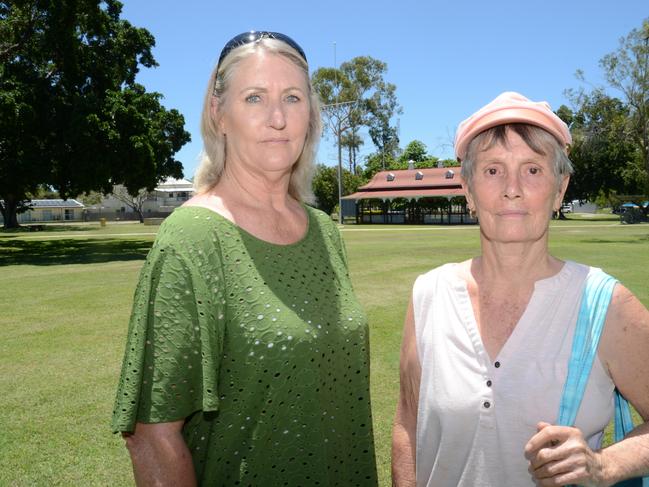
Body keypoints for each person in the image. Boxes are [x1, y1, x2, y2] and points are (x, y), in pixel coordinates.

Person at [112, 31, 377, 486]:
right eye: (254, 98)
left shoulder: (324, 233)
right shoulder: (190, 240)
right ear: (219, 114)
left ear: (310, 115)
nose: (278, 118)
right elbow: (152, 435)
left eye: (292, 98)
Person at [392, 91, 649, 486]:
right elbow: (408, 424)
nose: (512, 188)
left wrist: (606, 465)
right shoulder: (429, 295)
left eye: (532, 170)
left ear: (560, 190)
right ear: (468, 190)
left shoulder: (604, 304)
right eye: (493, 170)